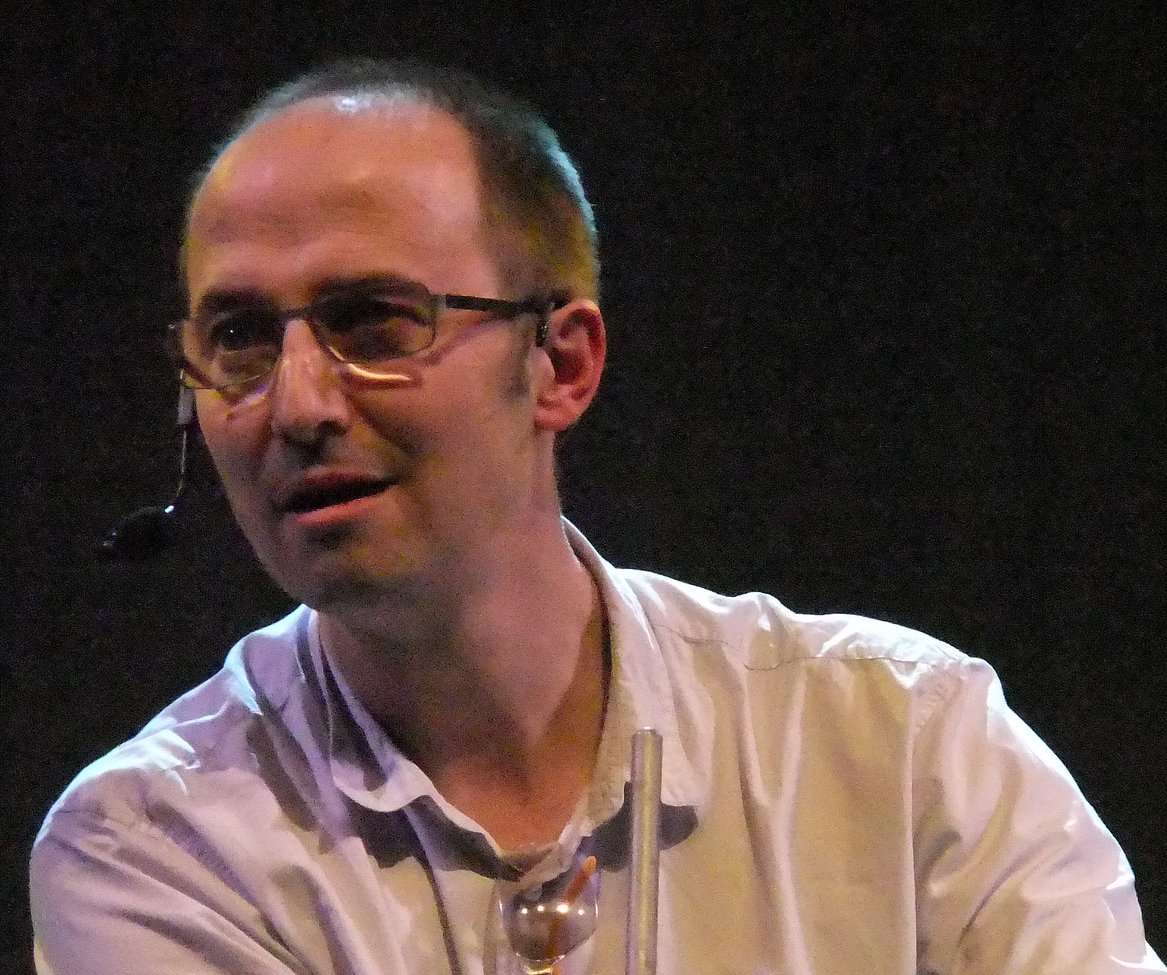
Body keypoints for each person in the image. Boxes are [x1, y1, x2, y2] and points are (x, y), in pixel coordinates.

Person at [30, 57, 1163, 975]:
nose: (298, 403)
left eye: (373, 320)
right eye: (236, 338)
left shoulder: (907, 745)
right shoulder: (154, 847)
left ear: (561, 365)